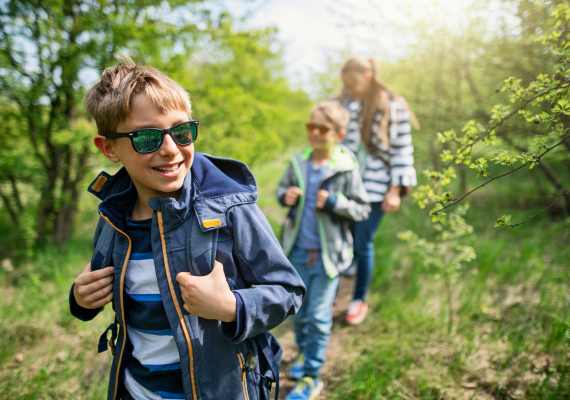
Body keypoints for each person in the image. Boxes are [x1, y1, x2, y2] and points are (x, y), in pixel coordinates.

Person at [68, 59, 305, 400]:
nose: (169, 149)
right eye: (147, 138)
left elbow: (289, 290)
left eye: (181, 132)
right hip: (137, 391)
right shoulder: (112, 216)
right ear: (109, 148)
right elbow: (102, 286)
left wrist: (232, 307)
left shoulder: (229, 207)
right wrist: (81, 299)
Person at [276, 100, 370, 400]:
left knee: (317, 317)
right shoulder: (297, 163)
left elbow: (362, 209)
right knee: (300, 316)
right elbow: (281, 191)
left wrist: (334, 202)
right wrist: (286, 196)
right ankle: (304, 357)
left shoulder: (345, 167)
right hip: (296, 253)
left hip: (328, 258)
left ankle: (312, 377)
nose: (315, 133)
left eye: (323, 129)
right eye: (310, 127)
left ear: (339, 134)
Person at [339, 57, 418, 326]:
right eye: (346, 81)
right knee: (345, 236)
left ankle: (358, 298)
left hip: (374, 187)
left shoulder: (393, 104)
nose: (351, 86)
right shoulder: (344, 103)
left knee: (363, 242)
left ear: (369, 75)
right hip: (345, 185)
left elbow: (402, 149)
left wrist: (395, 190)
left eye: (355, 80)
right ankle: (344, 278)